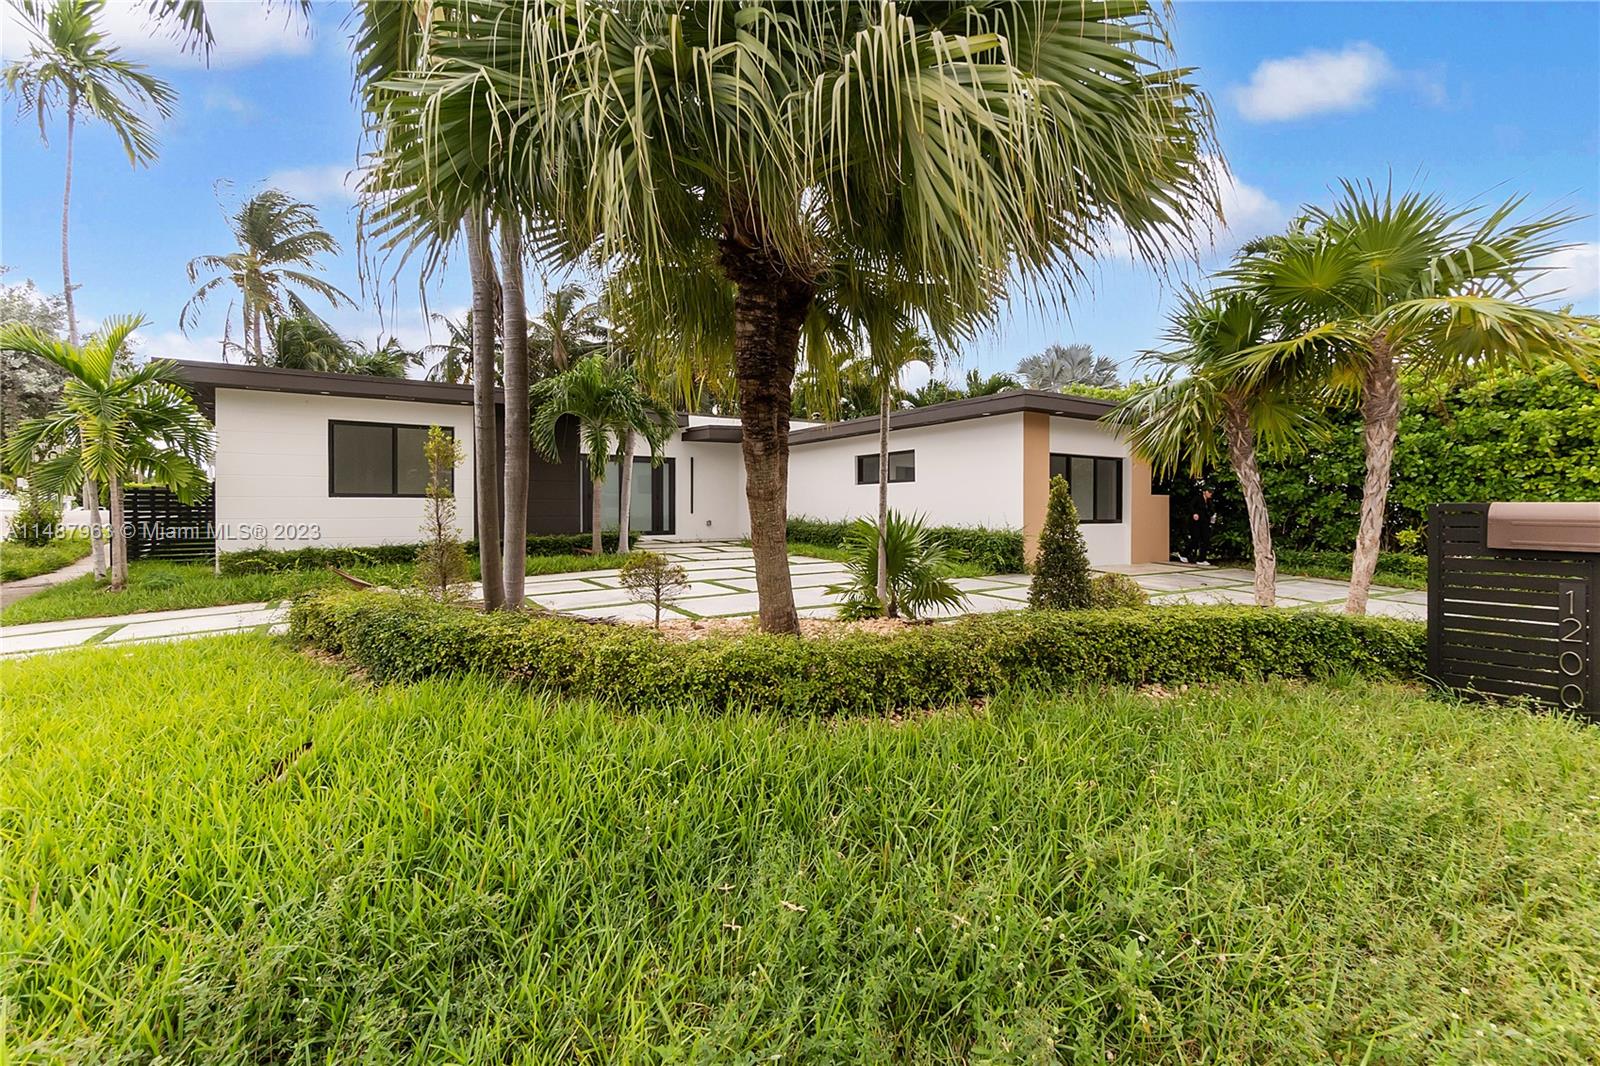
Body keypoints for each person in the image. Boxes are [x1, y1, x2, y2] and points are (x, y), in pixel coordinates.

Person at [1188, 485, 1215, 565]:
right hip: (1196, 522)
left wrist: (1212, 516)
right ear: (1204, 492)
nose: (1210, 494)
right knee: (1195, 538)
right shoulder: (1198, 498)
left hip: (1205, 523)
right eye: (1209, 492)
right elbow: (1191, 506)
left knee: (1206, 539)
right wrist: (1194, 513)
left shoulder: (1209, 502)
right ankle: (1185, 553)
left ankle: (1201, 559)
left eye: (1211, 492)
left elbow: (1211, 511)